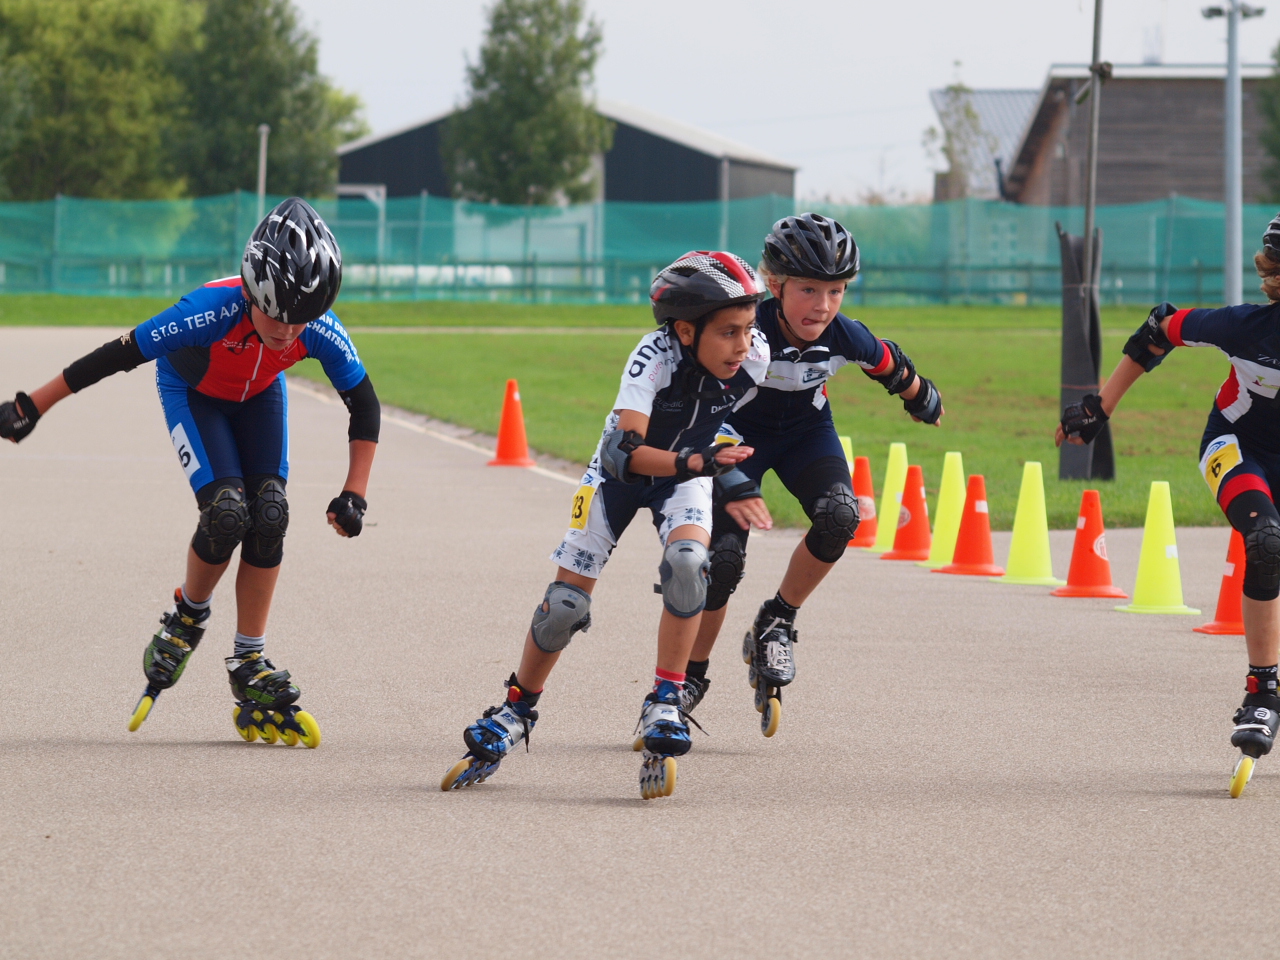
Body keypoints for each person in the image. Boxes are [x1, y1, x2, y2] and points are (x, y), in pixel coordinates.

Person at [0, 197, 379, 748]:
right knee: (228, 514)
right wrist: (34, 404)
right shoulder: (206, 310)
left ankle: (249, 659)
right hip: (192, 394)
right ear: (251, 293)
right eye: (278, 315)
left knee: (270, 513)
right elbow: (117, 354)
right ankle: (186, 616)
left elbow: (364, 404)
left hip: (258, 398)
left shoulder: (313, 324)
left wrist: (355, 493)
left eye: (304, 319)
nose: (290, 331)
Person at [442, 251, 773, 799]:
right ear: (686, 331)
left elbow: (746, 415)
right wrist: (697, 462)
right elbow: (625, 454)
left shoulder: (754, 355)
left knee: (690, 567)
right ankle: (516, 708)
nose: (745, 344)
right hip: (621, 475)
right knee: (564, 607)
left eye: (750, 328)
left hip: (687, 469)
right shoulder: (653, 356)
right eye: (730, 331)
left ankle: (666, 699)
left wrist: (729, 469)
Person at [682, 213, 944, 738]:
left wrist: (921, 397)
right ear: (773, 286)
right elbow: (694, 377)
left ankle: (778, 620)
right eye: (808, 289)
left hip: (806, 434)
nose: (822, 305)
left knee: (839, 515)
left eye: (837, 290)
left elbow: (889, 362)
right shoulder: (746, 328)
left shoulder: (845, 335)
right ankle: (689, 678)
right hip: (738, 438)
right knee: (724, 562)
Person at [1057, 214, 1280, 797]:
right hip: (1239, 448)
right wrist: (1099, 409)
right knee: (1264, 541)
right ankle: (1262, 692)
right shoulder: (1246, 329)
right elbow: (1160, 328)